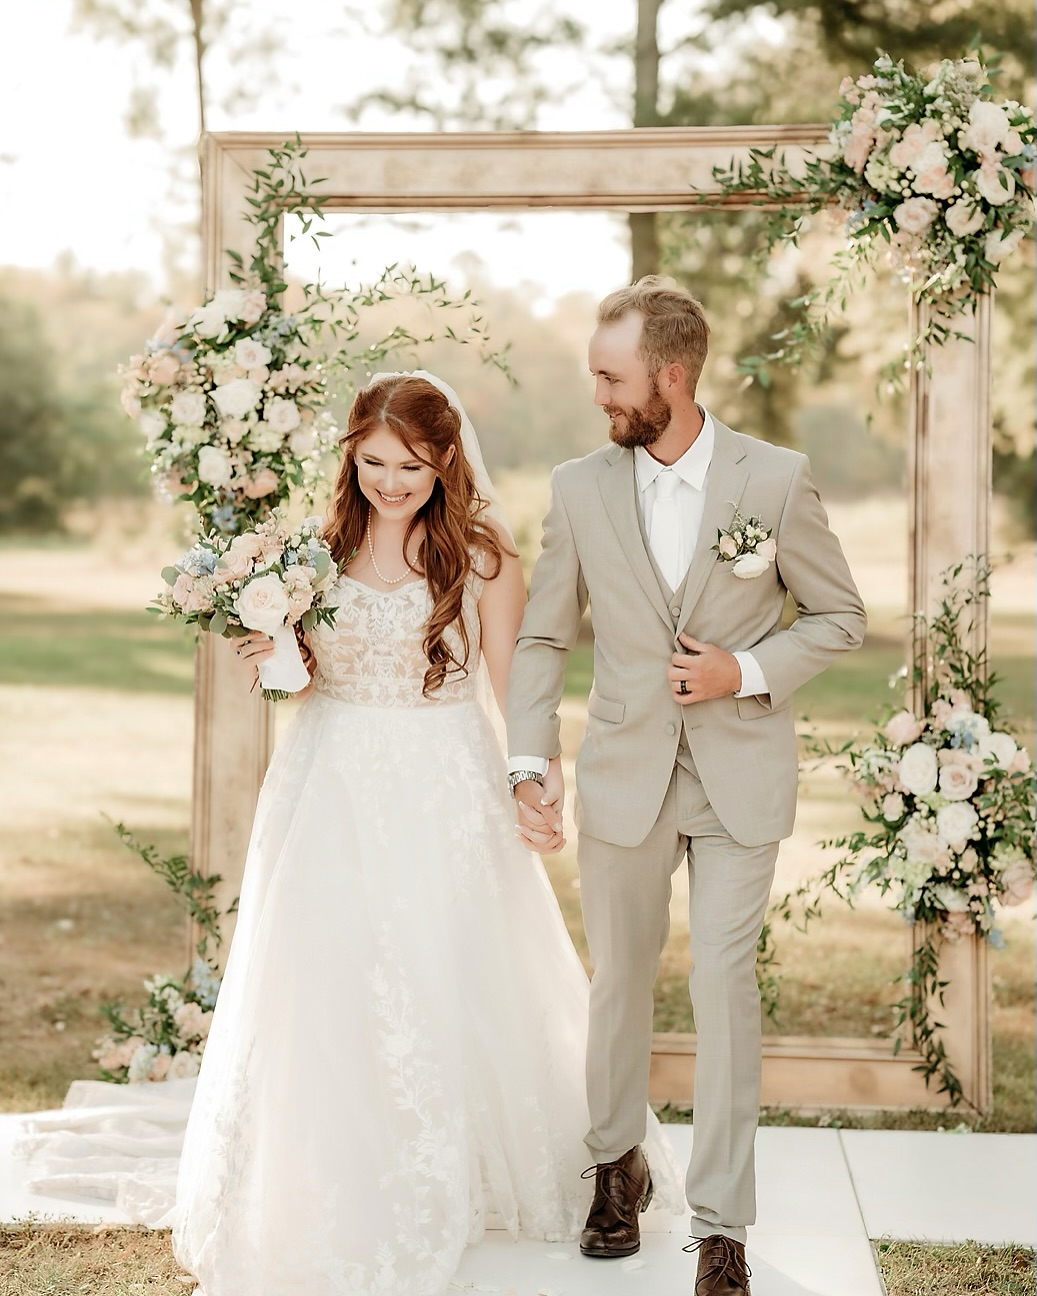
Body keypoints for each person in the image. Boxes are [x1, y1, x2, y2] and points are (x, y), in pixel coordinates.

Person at [170, 371, 684, 1295]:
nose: (389, 481)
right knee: (326, 972)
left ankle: (565, 1161)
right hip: (327, 782)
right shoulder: (312, 554)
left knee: (444, 969)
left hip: (442, 782)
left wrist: (535, 783)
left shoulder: (480, 559)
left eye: (409, 465)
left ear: (445, 459)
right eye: (371, 463)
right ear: (350, 458)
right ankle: (328, 1170)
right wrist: (275, 655)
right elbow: (297, 682)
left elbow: (517, 689)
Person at [506, 279, 867, 1295]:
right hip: (624, 776)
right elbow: (540, 634)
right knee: (618, 984)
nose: (597, 396)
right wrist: (528, 760)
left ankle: (720, 1225)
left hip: (736, 776)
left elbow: (836, 616)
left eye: (610, 377)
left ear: (670, 375)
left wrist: (740, 672)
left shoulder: (775, 479)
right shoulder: (578, 487)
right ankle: (613, 1167)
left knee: (722, 986)